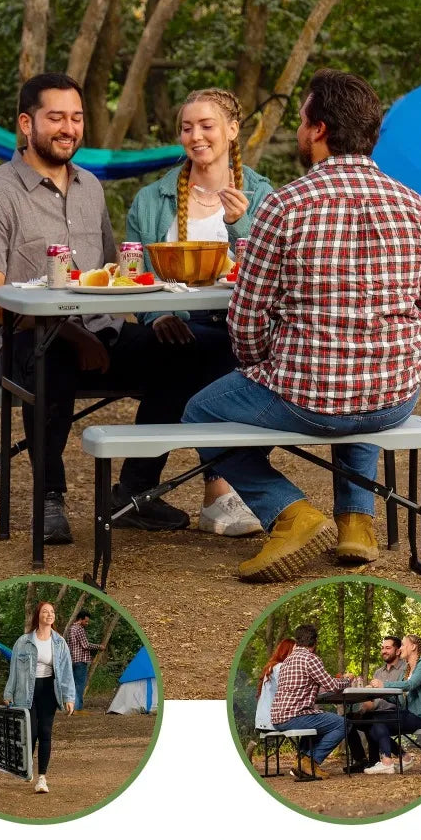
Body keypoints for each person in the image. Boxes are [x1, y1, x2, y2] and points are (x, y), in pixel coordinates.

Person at [182, 69, 421, 582]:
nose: (300, 131)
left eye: (302, 121)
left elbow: (247, 317)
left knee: (198, 411)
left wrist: (263, 362)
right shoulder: (416, 206)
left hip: (311, 398)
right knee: (360, 385)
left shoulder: (284, 205)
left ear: (319, 129)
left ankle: (291, 512)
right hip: (394, 395)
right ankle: (355, 521)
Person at [0, 72, 202, 544]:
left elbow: (112, 272)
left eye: (76, 117)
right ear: (27, 124)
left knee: (186, 351)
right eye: (55, 118)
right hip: (24, 343)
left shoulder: (90, 188)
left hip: (102, 334)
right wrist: (71, 332)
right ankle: (48, 498)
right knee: (54, 359)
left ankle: (134, 493)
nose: (68, 128)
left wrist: (156, 311)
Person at [127, 88, 274, 537]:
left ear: (232, 131)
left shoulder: (262, 193)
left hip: (239, 327)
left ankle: (136, 490)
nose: (195, 136)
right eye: (187, 128)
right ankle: (220, 493)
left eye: (206, 126)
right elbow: (137, 272)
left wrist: (243, 223)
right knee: (189, 352)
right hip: (179, 324)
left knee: (227, 354)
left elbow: (276, 269)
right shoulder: (153, 200)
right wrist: (157, 318)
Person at [4, 600, 76, 793]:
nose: (49, 614)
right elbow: (14, 670)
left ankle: (42, 778)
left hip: (48, 691)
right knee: (31, 733)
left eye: (52, 612)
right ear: (38, 616)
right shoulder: (24, 641)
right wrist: (8, 693)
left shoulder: (59, 642)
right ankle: (27, 770)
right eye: (45, 612)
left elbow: (67, 671)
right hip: (26, 691)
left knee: (45, 732)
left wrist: (69, 697)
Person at [270, 623, 353, 779]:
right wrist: (347, 680)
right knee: (343, 723)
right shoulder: (310, 658)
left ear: (297, 641)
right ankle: (310, 761)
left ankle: (300, 762)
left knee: (320, 719)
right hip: (294, 716)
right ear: (315, 642)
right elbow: (333, 685)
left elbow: (302, 686)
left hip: (277, 717)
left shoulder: (287, 660)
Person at [364, 634, 421, 775]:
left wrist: (384, 685)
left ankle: (387, 762)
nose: (400, 648)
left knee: (379, 722)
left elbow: (410, 685)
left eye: (403, 645)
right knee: (373, 726)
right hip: (411, 714)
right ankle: (403, 758)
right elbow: (399, 699)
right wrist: (379, 693)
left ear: (413, 647)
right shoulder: (406, 671)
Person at [343, 635, 408, 772]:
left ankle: (388, 757)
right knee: (347, 719)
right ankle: (361, 759)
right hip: (375, 711)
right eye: (382, 648)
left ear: (397, 651)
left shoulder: (405, 669)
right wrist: (364, 704)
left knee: (371, 721)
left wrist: (372, 705)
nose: (384, 651)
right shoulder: (378, 672)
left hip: (395, 712)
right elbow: (372, 697)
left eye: (388, 648)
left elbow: (403, 695)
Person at [67, 610, 104, 713]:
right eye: (86, 621)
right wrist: (99, 647)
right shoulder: (79, 629)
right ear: (80, 619)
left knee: (74, 684)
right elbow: (85, 645)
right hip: (80, 661)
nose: (86, 624)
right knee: (79, 685)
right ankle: (77, 709)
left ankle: (72, 708)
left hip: (72, 660)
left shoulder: (71, 629)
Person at [254, 637, 294, 731]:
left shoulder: (272, 666)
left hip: (262, 720)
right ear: (287, 652)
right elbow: (290, 688)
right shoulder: (280, 667)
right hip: (271, 721)